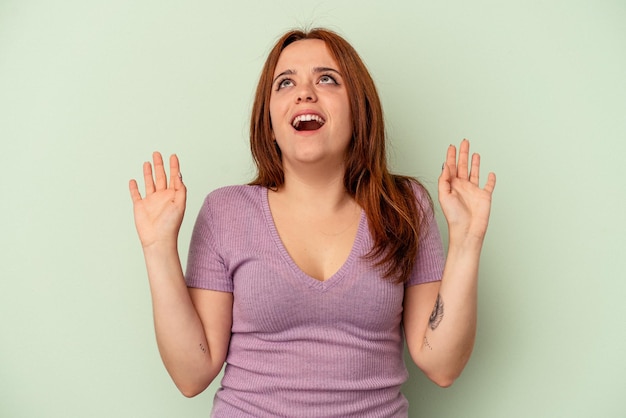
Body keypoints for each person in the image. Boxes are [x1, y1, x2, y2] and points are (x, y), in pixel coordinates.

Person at [129, 28, 496, 417]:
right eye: (285, 83)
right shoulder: (226, 212)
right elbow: (192, 375)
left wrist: (468, 240)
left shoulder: (404, 206)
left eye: (327, 79)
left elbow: (442, 366)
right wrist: (157, 249)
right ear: (268, 123)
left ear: (359, 109)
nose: (305, 92)